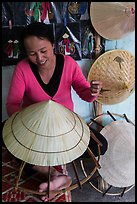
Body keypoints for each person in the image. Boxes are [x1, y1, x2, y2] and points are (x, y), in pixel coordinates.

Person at [3, 22, 104, 202]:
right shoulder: (23, 69)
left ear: (53, 45)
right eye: (32, 53)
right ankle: (55, 175)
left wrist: (92, 92)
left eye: (43, 51)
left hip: (65, 126)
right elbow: (12, 104)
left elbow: (84, 93)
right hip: (35, 127)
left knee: (100, 145)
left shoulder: (69, 64)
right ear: (26, 52)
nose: (39, 58)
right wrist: (24, 124)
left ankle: (51, 169)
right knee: (7, 140)